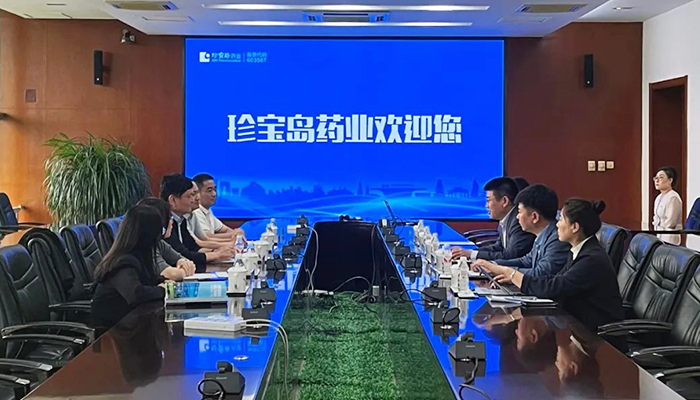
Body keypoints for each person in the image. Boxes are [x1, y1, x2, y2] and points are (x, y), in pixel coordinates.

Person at [475, 199, 623, 332]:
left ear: (574, 227)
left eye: (561, 219)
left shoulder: (590, 259)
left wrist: (511, 273)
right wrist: (513, 279)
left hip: (596, 336)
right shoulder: (579, 251)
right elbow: (554, 279)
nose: (557, 224)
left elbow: (554, 288)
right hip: (577, 326)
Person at [90, 205, 167, 328]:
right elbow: (135, 294)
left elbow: (145, 279)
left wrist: (162, 280)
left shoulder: (137, 256)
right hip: (112, 331)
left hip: (130, 324)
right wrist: (164, 290)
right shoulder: (122, 263)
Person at [473, 184, 570, 278]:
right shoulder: (542, 234)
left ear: (534, 217)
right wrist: (493, 264)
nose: (517, 216)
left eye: (519, 212)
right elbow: (525, 261)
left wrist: (501, 270)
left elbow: (540, 274)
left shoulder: (558, 240)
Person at [160, 174, 233, 272]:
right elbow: (182, 254)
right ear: (173, 200)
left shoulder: (181, 219)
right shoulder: (164, 221)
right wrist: (216, 255)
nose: (195, 199)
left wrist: (216, 251)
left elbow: (193, 247)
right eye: (190, 196)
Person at [452, 177, 534, 261]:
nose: (486, 206)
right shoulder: (506, 219)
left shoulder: (519, 221)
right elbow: (499, 247)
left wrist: (472, 254)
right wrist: (470, 252)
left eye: (488, 200)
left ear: (504, 201)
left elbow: (510, 256)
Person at [137, 197, 196, 281]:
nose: (171, 222)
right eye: (169, 217)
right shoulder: (146, 247)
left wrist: (182, 262)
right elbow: (171, 274)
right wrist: (183, 271)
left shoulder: (160, 243)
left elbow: (186, 261)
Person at [192, 173, 245, 241]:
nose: (214, 194)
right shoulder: (196, 211)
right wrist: (235, 234)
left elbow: (225, 230)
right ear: (197, 193)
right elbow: (207, 237)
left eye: (215, 189)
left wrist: (236, 233)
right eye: (209, 191)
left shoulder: (207, 210)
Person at [653, 166, 683, 245]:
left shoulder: (673, 197)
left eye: (661, 177)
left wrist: (658, 224)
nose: (657, 180)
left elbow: (671, 223)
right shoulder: (658, 197)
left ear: (670, 180)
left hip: (669, 239)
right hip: (659, 236)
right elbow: (656, 218)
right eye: (656, 178)